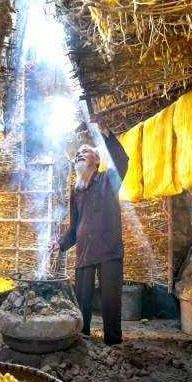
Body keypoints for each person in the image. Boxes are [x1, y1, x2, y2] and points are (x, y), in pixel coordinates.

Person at [50, 114, 129, 346]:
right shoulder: (75, 192)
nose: (78, 156)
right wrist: (60, 242)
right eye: (77, 155)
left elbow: (122, 161)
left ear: (96, 160)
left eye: (84, 153)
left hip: (108, 248)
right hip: (84, 249)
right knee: (82, 298)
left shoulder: (108, 180)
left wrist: (105, 131)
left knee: (110, 297)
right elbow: (74, 228)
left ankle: (113, 342)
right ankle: (82, 338)